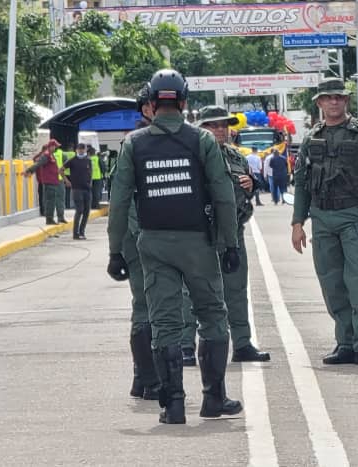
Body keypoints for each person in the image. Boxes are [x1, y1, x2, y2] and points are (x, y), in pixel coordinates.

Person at [107, 69, 242, 424]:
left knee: (165, 321)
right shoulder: (203, 141)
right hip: (198, 242)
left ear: (151, 103)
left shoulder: (134, 144)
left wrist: (115, 251)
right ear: (183, 103)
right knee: (211, 315)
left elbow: (119, 202)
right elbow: (224, 195)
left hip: (152, 242)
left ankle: (173, 404)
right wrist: (229, 243)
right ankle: (214, 398)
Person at [291, 77, 358, 366]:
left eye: (339, 97)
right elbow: (301, 182)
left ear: (346, 101)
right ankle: (345, 343)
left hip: (355, 217)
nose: (334, 102)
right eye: (328, 98)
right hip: (322, 218)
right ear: (319, 103)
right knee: (332, 283)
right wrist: (297, 222)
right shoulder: (312, 138)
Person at [193, 105, 271, 362]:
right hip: (200, 235)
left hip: (232, 233)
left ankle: (242, 343)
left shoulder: (236, 157)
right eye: (213, 125)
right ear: (200, 127)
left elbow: (246, 186)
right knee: (194, 291)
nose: (220, 130)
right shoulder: (191, 156)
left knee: (236, 289)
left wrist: (251, 185)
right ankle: (185, 345)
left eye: (223, 125)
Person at [119, 83, 160, 401]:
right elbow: (125, 201)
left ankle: (142, 377)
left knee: (146, 308)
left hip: (147, 235)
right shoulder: (135, 144)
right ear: (146, 109)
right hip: (144, 237)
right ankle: (148, 378)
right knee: (148, 308)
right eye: (155, 104)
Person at [24, 139, 63, 226]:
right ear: (51, 146)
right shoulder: (46, 155)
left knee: (52, 201)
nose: (56, 148)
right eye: (55, 146)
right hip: (49, 181)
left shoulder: (51, 155)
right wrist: (29, 170)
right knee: (50, 201)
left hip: (53, 181)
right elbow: (38, 164)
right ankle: (49, 219)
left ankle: (50, 218)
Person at [61, 145, 93, 240]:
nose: (81, 151)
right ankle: (76, 233)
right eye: (79, 149)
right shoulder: (72, 160)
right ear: (76, 150)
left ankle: (82, 232)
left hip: (87, 189)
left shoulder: (88, 160)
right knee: (79, 210)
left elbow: (90, 173)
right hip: (76, 189)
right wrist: (66, 180)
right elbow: (61, 170)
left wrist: (90, 183)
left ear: (85, 150)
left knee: (87, 211)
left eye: (83, 149)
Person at [89, 145, 105, 209]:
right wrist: (103, 175)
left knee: (91, 192)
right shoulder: (98, 158)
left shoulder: (88, 158)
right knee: (97, 192)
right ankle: (96, 205)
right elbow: (102, 167)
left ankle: (91, 205)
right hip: (97, 177)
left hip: (89, 178)